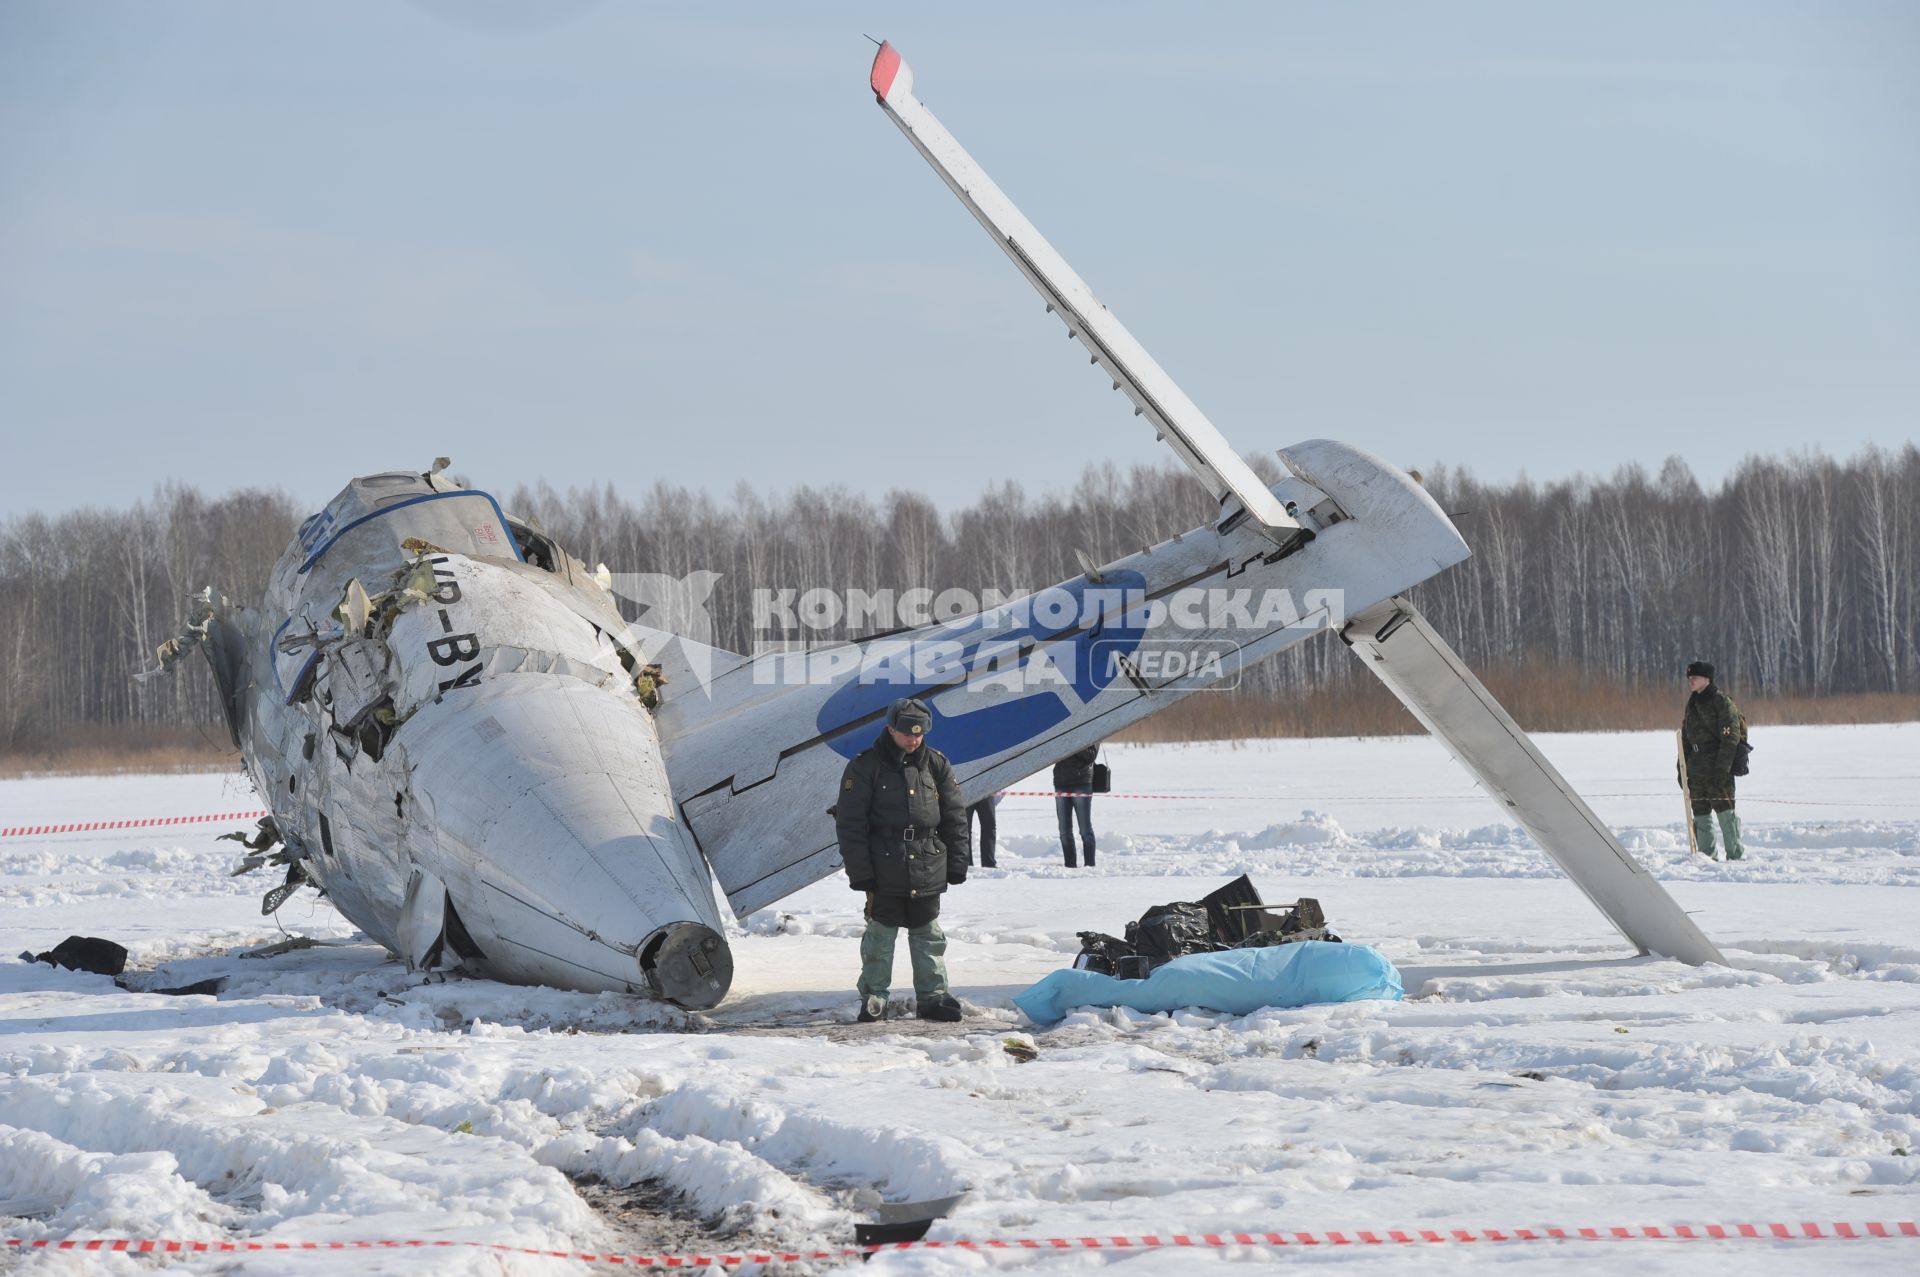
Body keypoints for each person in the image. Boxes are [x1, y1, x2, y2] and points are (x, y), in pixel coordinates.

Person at [835, 697, 970, 1022]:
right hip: (884, 865)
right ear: (890, 729)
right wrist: (860, 872)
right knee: (880, 936)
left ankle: (933, 997)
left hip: (928, 862)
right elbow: (851, 824)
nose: (913, 740)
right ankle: (874, 998)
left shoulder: (937, 764)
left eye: (919, 734)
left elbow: (954, 815)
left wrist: (958, 861)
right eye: (907, 733)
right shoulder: (865, 766)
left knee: (928, 935)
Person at [1681, 660, 1745, 861]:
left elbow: (1731, 738)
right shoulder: (1692, 704)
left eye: (1695, 678)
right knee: (1700, 814)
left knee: (1725, 813)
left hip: (1717, 766)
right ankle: (1707, 859)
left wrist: (1722, 769)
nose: (1691, 681)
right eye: (1689, 678)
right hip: (1696, 768)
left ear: (1707, 679)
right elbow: (1685, 738)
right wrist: (1681, 768)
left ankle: (1735, 855)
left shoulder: (1721, 702)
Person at [1052, 742, 1100, 868]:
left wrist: (1073, 741)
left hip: (1082, 782)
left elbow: (1091, 755)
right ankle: (1070, 866)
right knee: (1064, 831)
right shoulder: (1060, 729)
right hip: (1060, 782)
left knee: (1085, 830)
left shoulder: (1091, 729)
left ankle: (1089, 866)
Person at [968, 794, 1002, 869]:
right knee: (964, 829)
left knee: (989, 827)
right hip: (966, 791)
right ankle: (966, 863)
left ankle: (989, 863)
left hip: (986, 791)